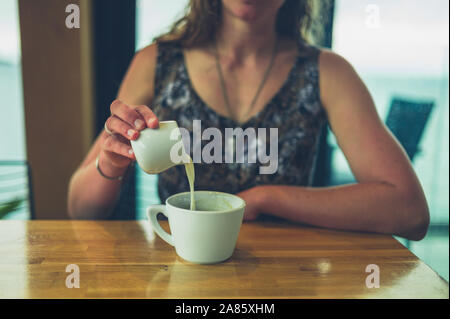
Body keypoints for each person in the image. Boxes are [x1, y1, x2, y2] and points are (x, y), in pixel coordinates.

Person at [68, 0, 429, 240]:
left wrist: (266, 198)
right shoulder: (156, 63)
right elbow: (79, 210)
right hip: (178, 271)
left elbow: (409, 212)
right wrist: (109, 164)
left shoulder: (327, 72)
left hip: (288, 274)